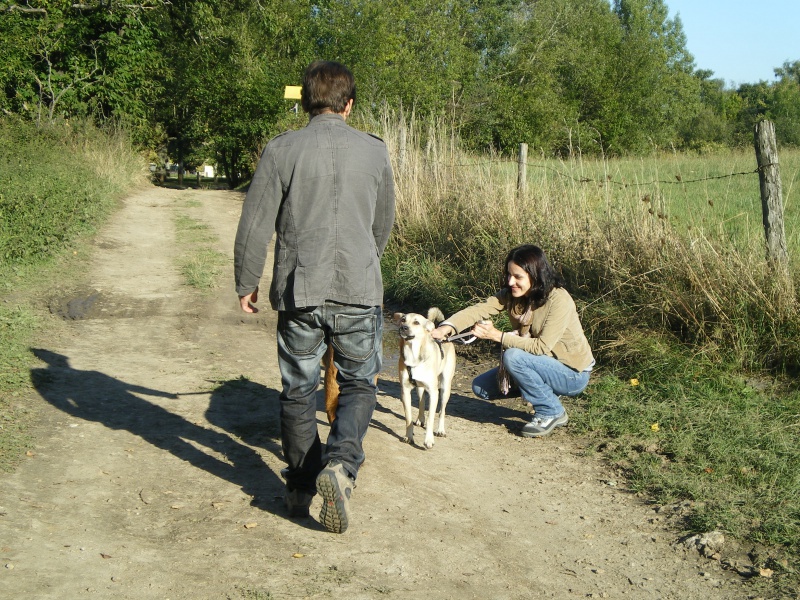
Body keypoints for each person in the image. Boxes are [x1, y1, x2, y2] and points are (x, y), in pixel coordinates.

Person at [234, 60, 395, 533]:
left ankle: (302, 485)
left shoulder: (282, 149)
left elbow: (255, 222)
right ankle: (341, 467)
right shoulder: (375, 151)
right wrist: (366, 264)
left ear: (305, 101)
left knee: (298, 389)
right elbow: (381, 222)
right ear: (349, 104)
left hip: (298, 290)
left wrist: (246, 280)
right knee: (361, 383)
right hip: (358, 289)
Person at [431, 244, 594, 438]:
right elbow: (478, 310)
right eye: (509, 275)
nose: (510, 282)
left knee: (514, 357)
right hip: (541, 363)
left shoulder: (559, 299)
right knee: (481, 388)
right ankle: (545, 392)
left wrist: (497, 336)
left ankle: (551, 411)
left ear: (535, 275)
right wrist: (446, 327)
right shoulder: (513, 295)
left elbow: (541, 347)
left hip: (572, 374)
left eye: (518, 277)